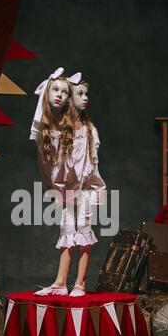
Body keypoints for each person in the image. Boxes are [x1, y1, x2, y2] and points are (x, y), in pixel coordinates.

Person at [30, 69, 106, 297]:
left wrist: (91, 192)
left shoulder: (88, 130)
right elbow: (41, 122)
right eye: (80, 94)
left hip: (83, 190)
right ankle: (61, 282)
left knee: (83, 230)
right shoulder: (61, 129)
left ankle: (80, 283)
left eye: (85, 94)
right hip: (68, 190)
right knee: (66, 229)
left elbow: (89, 168)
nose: (85, 98)